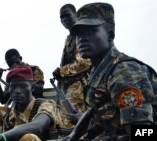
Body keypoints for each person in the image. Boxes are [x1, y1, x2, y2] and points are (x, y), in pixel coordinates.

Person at [63, 2, 155, 141]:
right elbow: (95, 108)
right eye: (78, 34)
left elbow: (142, 133)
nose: (82, 38)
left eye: (91, 31)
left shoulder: (124, 72)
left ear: (110, 34)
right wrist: (73, 136)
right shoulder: (99, 69)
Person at [0, 48, 44, 141]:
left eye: (15, 62)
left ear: (20, 58)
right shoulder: (12, 75)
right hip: (13, 111)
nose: (13, 65)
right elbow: (3, 99)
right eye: (10, 64)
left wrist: (23, 83)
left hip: (32, 110)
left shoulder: (34, 69)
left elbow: (39, 91)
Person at [0, 65, 60, 141]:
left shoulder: (47, 104)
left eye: (23, 86)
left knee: (28, 138)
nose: (17, 91)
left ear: (32, 87)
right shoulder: (9, 116)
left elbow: (37, 126)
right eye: (13, 87)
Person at [52, 4, 91, 128]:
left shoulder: (82, 34)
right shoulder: (69, 38)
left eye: (67, 15)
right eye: (61, 17)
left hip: (78, 86)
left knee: (72, 121)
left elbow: (85, 63)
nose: (64, 19)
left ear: (76, 15)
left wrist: (61, 71)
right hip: (67, 86)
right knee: (64, 120)